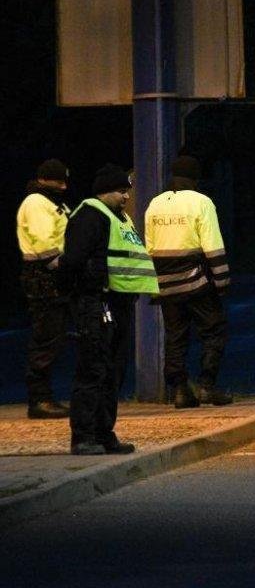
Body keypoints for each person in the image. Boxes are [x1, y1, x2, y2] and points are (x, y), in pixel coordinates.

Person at [59, 165, 158, 455]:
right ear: (105, 190)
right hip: (96, 301)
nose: (127, 195)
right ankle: (83, 437)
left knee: (113, 371)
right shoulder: (91, 214)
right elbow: (75, 260)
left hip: (119, 302)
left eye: (127, 190)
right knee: (93, 369)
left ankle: (104, 434)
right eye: (121, 190)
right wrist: (78, 294)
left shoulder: (120, 218)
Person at [144, 155, 232, 408]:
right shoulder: (201, 202)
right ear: (195, 178)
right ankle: (206, 386)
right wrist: (222, 280)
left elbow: (149, 245)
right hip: (196, 282)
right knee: (214, 330)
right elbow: (212, 244)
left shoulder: (155, 204)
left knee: (175, 337)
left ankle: (180, 390)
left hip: (165, 283)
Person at [15, 159, 73, 418]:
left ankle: (43, 396)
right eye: (59, 181)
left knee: (53, 335)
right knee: (46, 336)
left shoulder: (51, 202)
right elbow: (44, 242)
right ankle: (39, 399)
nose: (63, 186)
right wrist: (61, 266)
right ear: (46, 180)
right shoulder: (37, 203)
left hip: (51, 274)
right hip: (44, 275)